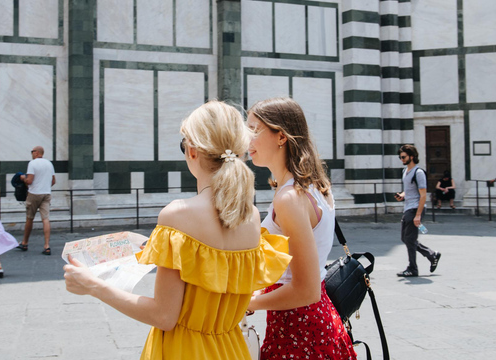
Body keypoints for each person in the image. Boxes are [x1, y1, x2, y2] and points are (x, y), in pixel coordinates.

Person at [64, 101, 291, 360]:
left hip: (182, 351)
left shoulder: (177, 215)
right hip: (231, 349)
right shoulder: (250, 216)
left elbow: (163, 316)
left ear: (192, 150)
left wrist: (93, 286)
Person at [245, 97, 357, 360]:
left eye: (254, 130)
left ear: (281, 136)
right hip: (315, 321)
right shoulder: (314, 185)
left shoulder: (289, 198)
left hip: (298, 330)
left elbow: (305, 289)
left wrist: (247, 304)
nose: (246, 140)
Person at [394, 144, 441, 277]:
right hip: (408, 207)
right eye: (400, 157)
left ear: (412, 156)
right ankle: (432, 255)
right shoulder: (405, 171)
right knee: (406, 238)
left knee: (409, 239)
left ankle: (413, 268)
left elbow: (423, 195)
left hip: (415, 209)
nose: (401, 159)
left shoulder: (418, 173)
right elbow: (409, 190)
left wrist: (418, 215)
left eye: (403, 157)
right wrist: (402, 195)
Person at [17, 146, 55, 255]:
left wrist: (23, 178)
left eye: (32, 151)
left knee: (29, 218)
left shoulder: (32, 163)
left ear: (37, 153)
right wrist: (45, 186)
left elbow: (29, 181)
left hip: (34, 194)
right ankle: (47, 246)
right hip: (46, 193)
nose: (32, 153)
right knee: (46, 219)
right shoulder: (49, 163)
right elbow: (53, 181)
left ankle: (25, 243)